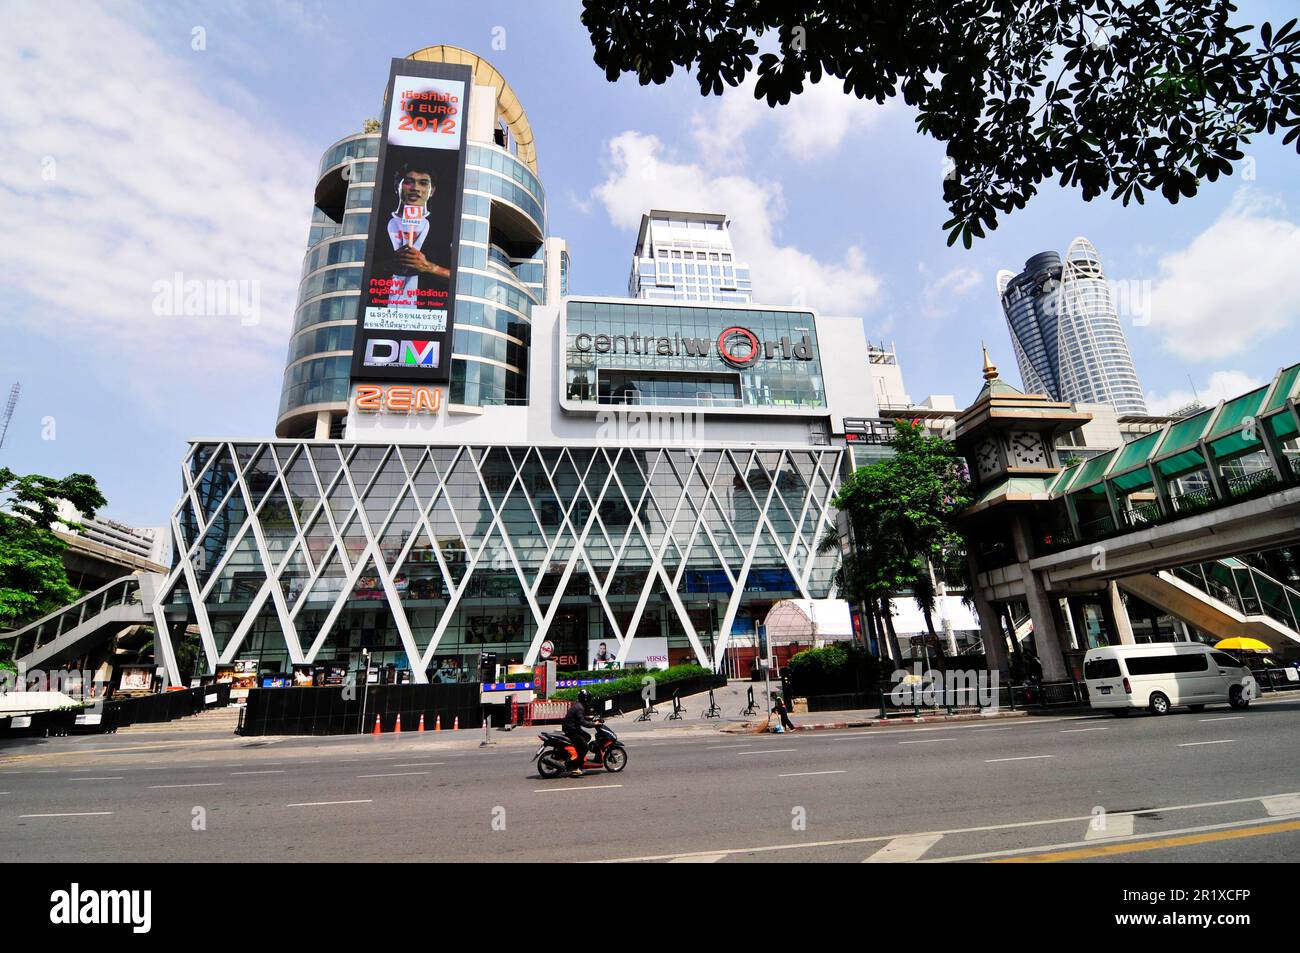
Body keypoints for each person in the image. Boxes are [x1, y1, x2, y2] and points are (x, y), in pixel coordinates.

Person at [371, 162, 452, 308]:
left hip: (426, 318)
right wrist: (388, 265)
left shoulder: (446, 228)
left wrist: (429, 267)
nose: (415, 188)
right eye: (409, 182)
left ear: (432, 190)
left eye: (423, 183)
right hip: (377, 314)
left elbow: (465, 279)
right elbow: (354, 272)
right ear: (397, 186)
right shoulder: (376, 221)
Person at [562, 688, 599, 777]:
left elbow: (580, 718)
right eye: (588, 698)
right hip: (572, 730)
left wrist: (592, 718)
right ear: (585, 699)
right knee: (585, 747)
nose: (589, 700)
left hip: (572, 728)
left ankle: (577, 756)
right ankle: (576, 767)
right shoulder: (580, 707)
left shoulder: (578, 705)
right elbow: (583, 722)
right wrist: (594, 724)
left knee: (587, 737)